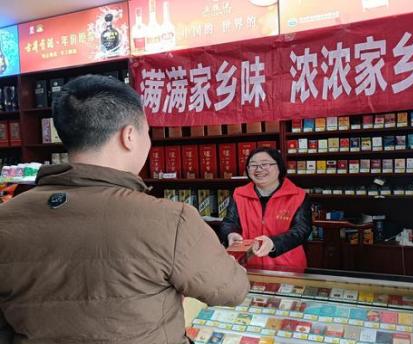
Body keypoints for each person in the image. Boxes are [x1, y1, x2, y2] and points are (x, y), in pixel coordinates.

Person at [0, 75, 249, 344]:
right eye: (147, 132)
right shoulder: (170, 219)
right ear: (129, 135)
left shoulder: (7, 217)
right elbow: (231, 290)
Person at [219, 147, 312, 272]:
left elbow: (302, 229)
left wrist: (273, 243)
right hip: (248, 265)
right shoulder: (239, 194)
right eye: (253, 165)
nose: (259, 169)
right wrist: (231, 234)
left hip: (287, 266)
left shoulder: (298, 195)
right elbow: (229, 222)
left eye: (265, 164)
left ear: (279, 166)